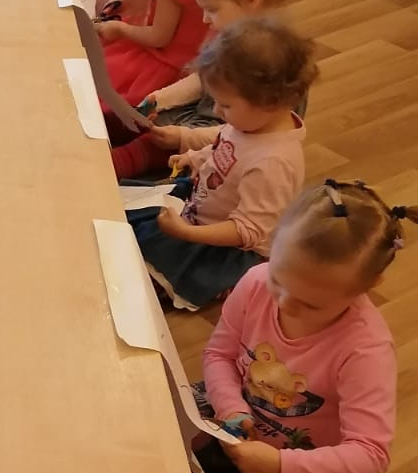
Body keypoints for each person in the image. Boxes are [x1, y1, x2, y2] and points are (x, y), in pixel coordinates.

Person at [194, 180, 418, 473]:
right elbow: (219, 354)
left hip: (306, 461)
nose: (284, 303)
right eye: (278, 279)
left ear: (367, 288)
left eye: (311, 303)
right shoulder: (255, 283)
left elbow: (370, 453)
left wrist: (280, 467)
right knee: (152, 419)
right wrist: (231, 408)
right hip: (240, 420)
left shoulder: (365, 349)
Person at [126, 17, 316, 310]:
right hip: (202, 203)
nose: (216, 110)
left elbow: (247, 231)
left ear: (270, 102)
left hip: (228, 247)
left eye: (225, 105)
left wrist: (187, 233)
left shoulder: (273, 163)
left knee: (141, 274)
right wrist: (195, 157)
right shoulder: (251, 124)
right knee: (129, 209)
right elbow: (224, 146)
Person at [114, 0, 293, 177]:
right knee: (134, 118)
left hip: (225, 137)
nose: (205, 20)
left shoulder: (271, 61)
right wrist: (160, 99)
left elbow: (241, 136)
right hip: (203, 116)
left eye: (212, 10)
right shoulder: (232, 34)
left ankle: (111, 163)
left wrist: (184, 137)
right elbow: (202, 79)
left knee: (151, 143)